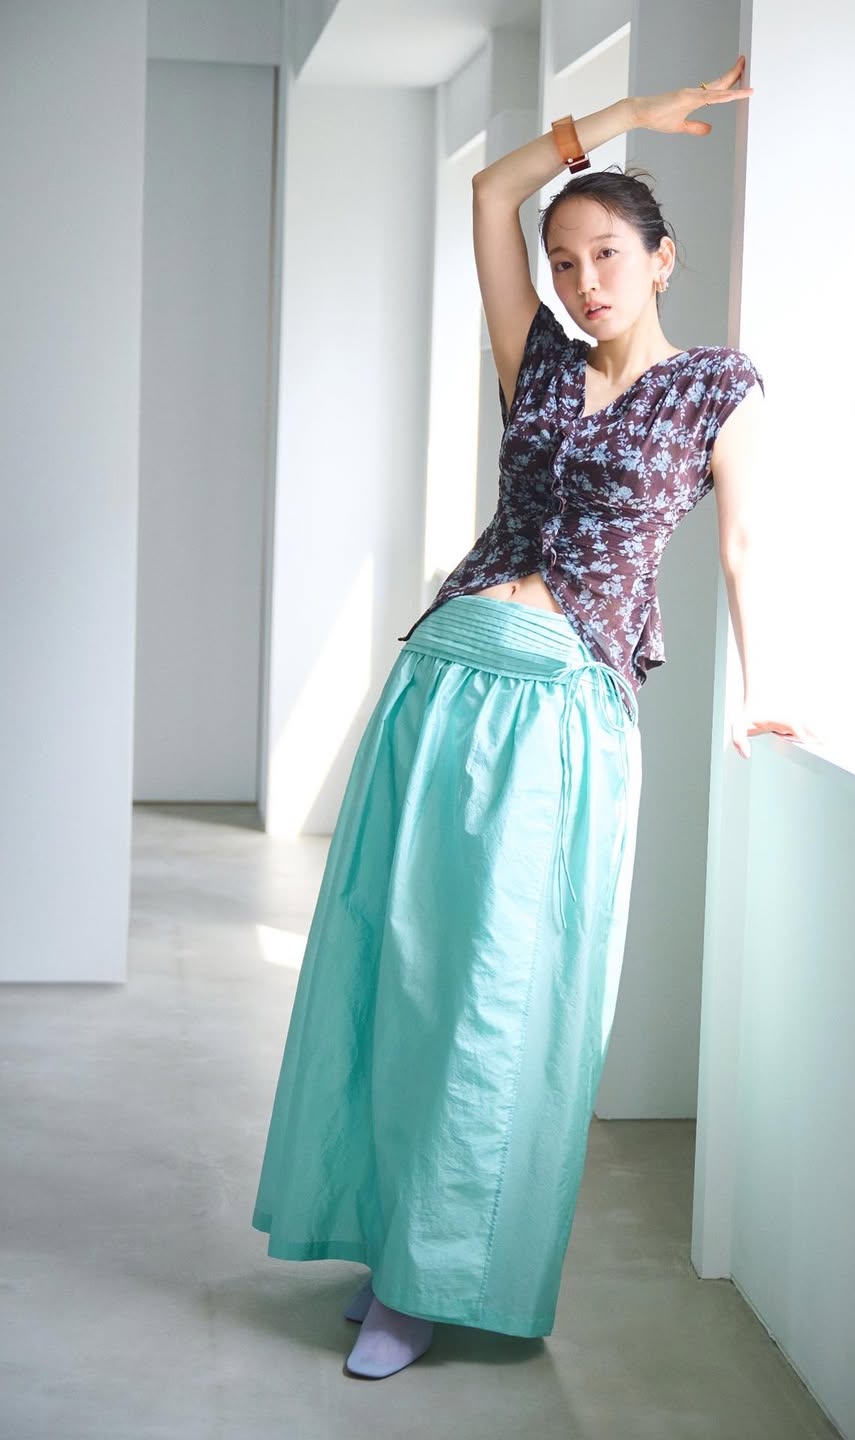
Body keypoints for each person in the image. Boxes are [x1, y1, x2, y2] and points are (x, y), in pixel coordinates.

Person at [251, 55, 809, 1381]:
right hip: (442, 680)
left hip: (563, 708)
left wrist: (766, 681)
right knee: (398, 967)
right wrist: (629, 115)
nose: (582, 281)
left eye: (607, 255)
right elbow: (493, 191)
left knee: (493, 992)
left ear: (661, 261)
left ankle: (436, 1280)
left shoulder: (716, 387)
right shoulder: (539, 360)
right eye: (564, 262)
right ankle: (389, 1243)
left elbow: (744, 547)